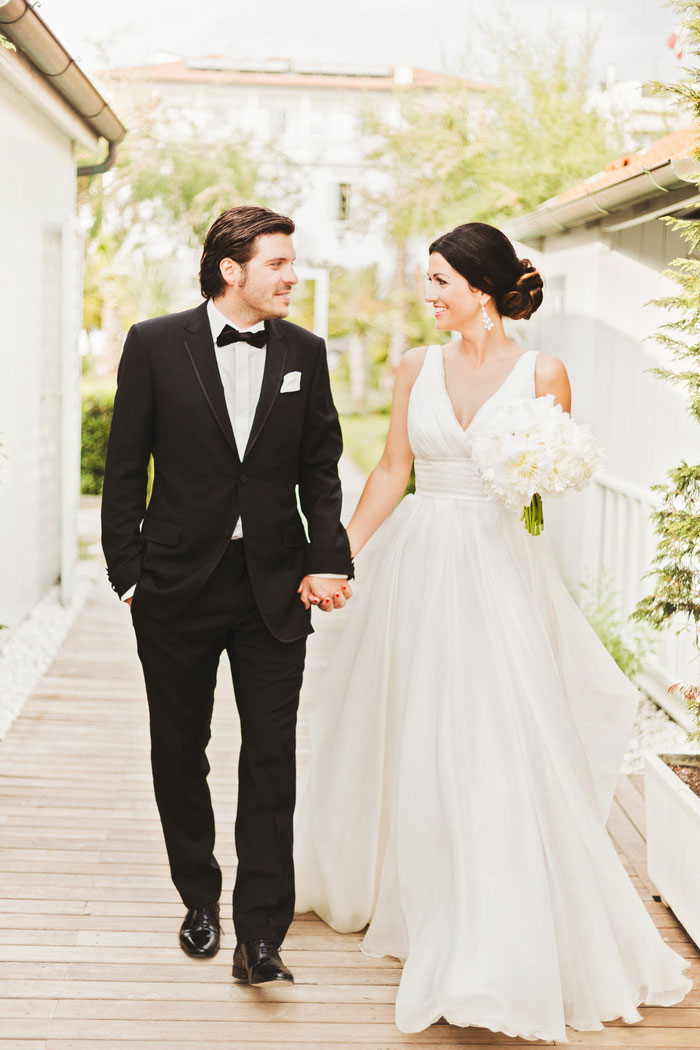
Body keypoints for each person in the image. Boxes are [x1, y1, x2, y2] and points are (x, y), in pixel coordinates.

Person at [294, 222, 691, 1039]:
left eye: (438, 280)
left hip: (500, 570)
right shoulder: (415, 366)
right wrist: (336, 558)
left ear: (479, 286)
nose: (427, 294)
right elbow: (392, 469)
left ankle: (488, 925)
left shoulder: (545, 373)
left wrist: (534, 472)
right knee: (415, 725)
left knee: (494, 737)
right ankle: (418, 886)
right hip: (420, 564)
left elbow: (549, 489)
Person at [101, 205, 354, 986]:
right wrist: (129, 572)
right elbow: (123, 464)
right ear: (231, 270)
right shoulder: (153, 343)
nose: (293, 275)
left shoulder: (306, 352)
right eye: (277, 263)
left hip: (274, 588)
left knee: (271, 757)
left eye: (292, 261)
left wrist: (328, 558)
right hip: (176, 583)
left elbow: (320, 466)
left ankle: (262, 931)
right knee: (182, 750)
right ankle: (200, 899)